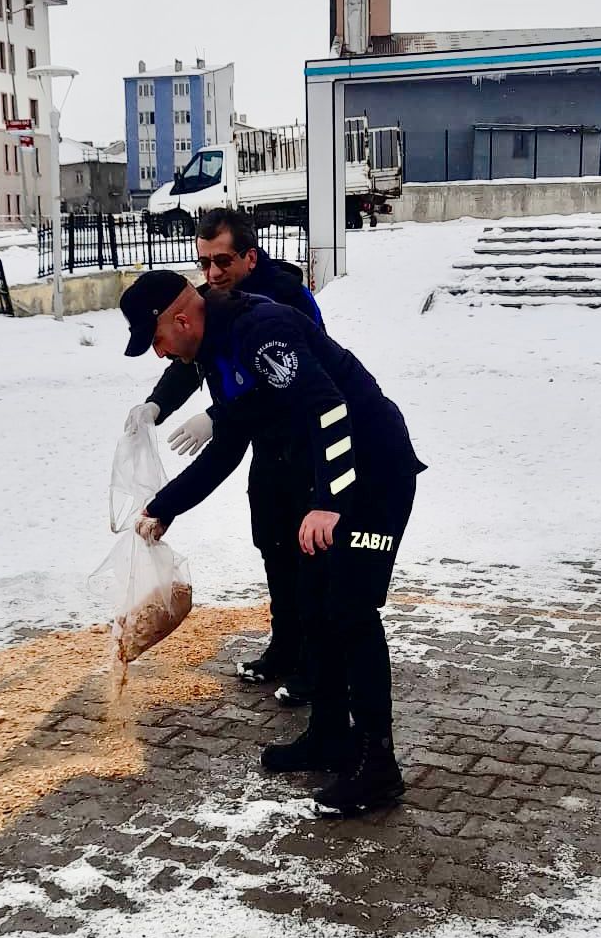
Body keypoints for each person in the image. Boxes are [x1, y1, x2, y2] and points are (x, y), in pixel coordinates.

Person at [118, 270, 423, 817]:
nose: (160, 354)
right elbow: (229, 447)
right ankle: (330, 734)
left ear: (181, 320)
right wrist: (163, 509)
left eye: (158, 340)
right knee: (314, 604)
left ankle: (379, 766)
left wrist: (330, 502)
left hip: (373, 472)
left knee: (350, 609)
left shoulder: (260, 331)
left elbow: (328, 407)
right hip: (327, 479)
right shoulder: (214, 349)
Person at [122, 208, 322, 706]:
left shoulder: (276, 303)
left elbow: (285, 383)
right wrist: (159, 405)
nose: (211, 273)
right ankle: (286, 646)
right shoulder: (212, 306)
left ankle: (316, 664)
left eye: (222, 261)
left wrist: (220, 417)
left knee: (308, 554)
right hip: (265, 441)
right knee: (272, 538)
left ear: (250, 257)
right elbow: (195, 361)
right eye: (204, 262)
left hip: (307, 439)